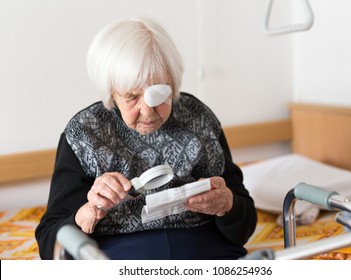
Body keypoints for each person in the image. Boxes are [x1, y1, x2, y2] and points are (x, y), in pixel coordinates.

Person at [35, 17, 257, 260]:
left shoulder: (199, 119)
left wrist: (227, 204)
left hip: (205, 251)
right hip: (118, 255)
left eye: (160, 93)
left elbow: (244, 226)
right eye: (132, 97)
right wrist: (88, 213)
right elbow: (50, 244)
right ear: (111, 91)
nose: (149, 111)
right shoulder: (84, 134)